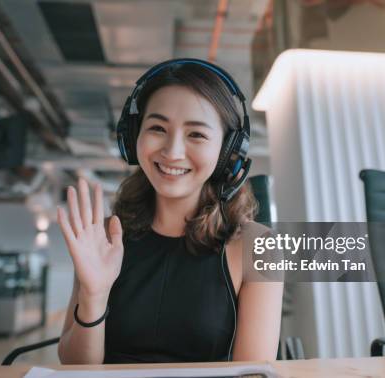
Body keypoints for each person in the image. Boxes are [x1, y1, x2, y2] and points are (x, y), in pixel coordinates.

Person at [56, 59, 284, 364]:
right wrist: (93, 295)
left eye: (196, 134)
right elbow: (74, 367)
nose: (173, 151)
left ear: (228, 151)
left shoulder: (260, 248)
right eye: (157, 128)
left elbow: (253, 374)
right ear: (134, 136)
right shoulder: (104, 236)